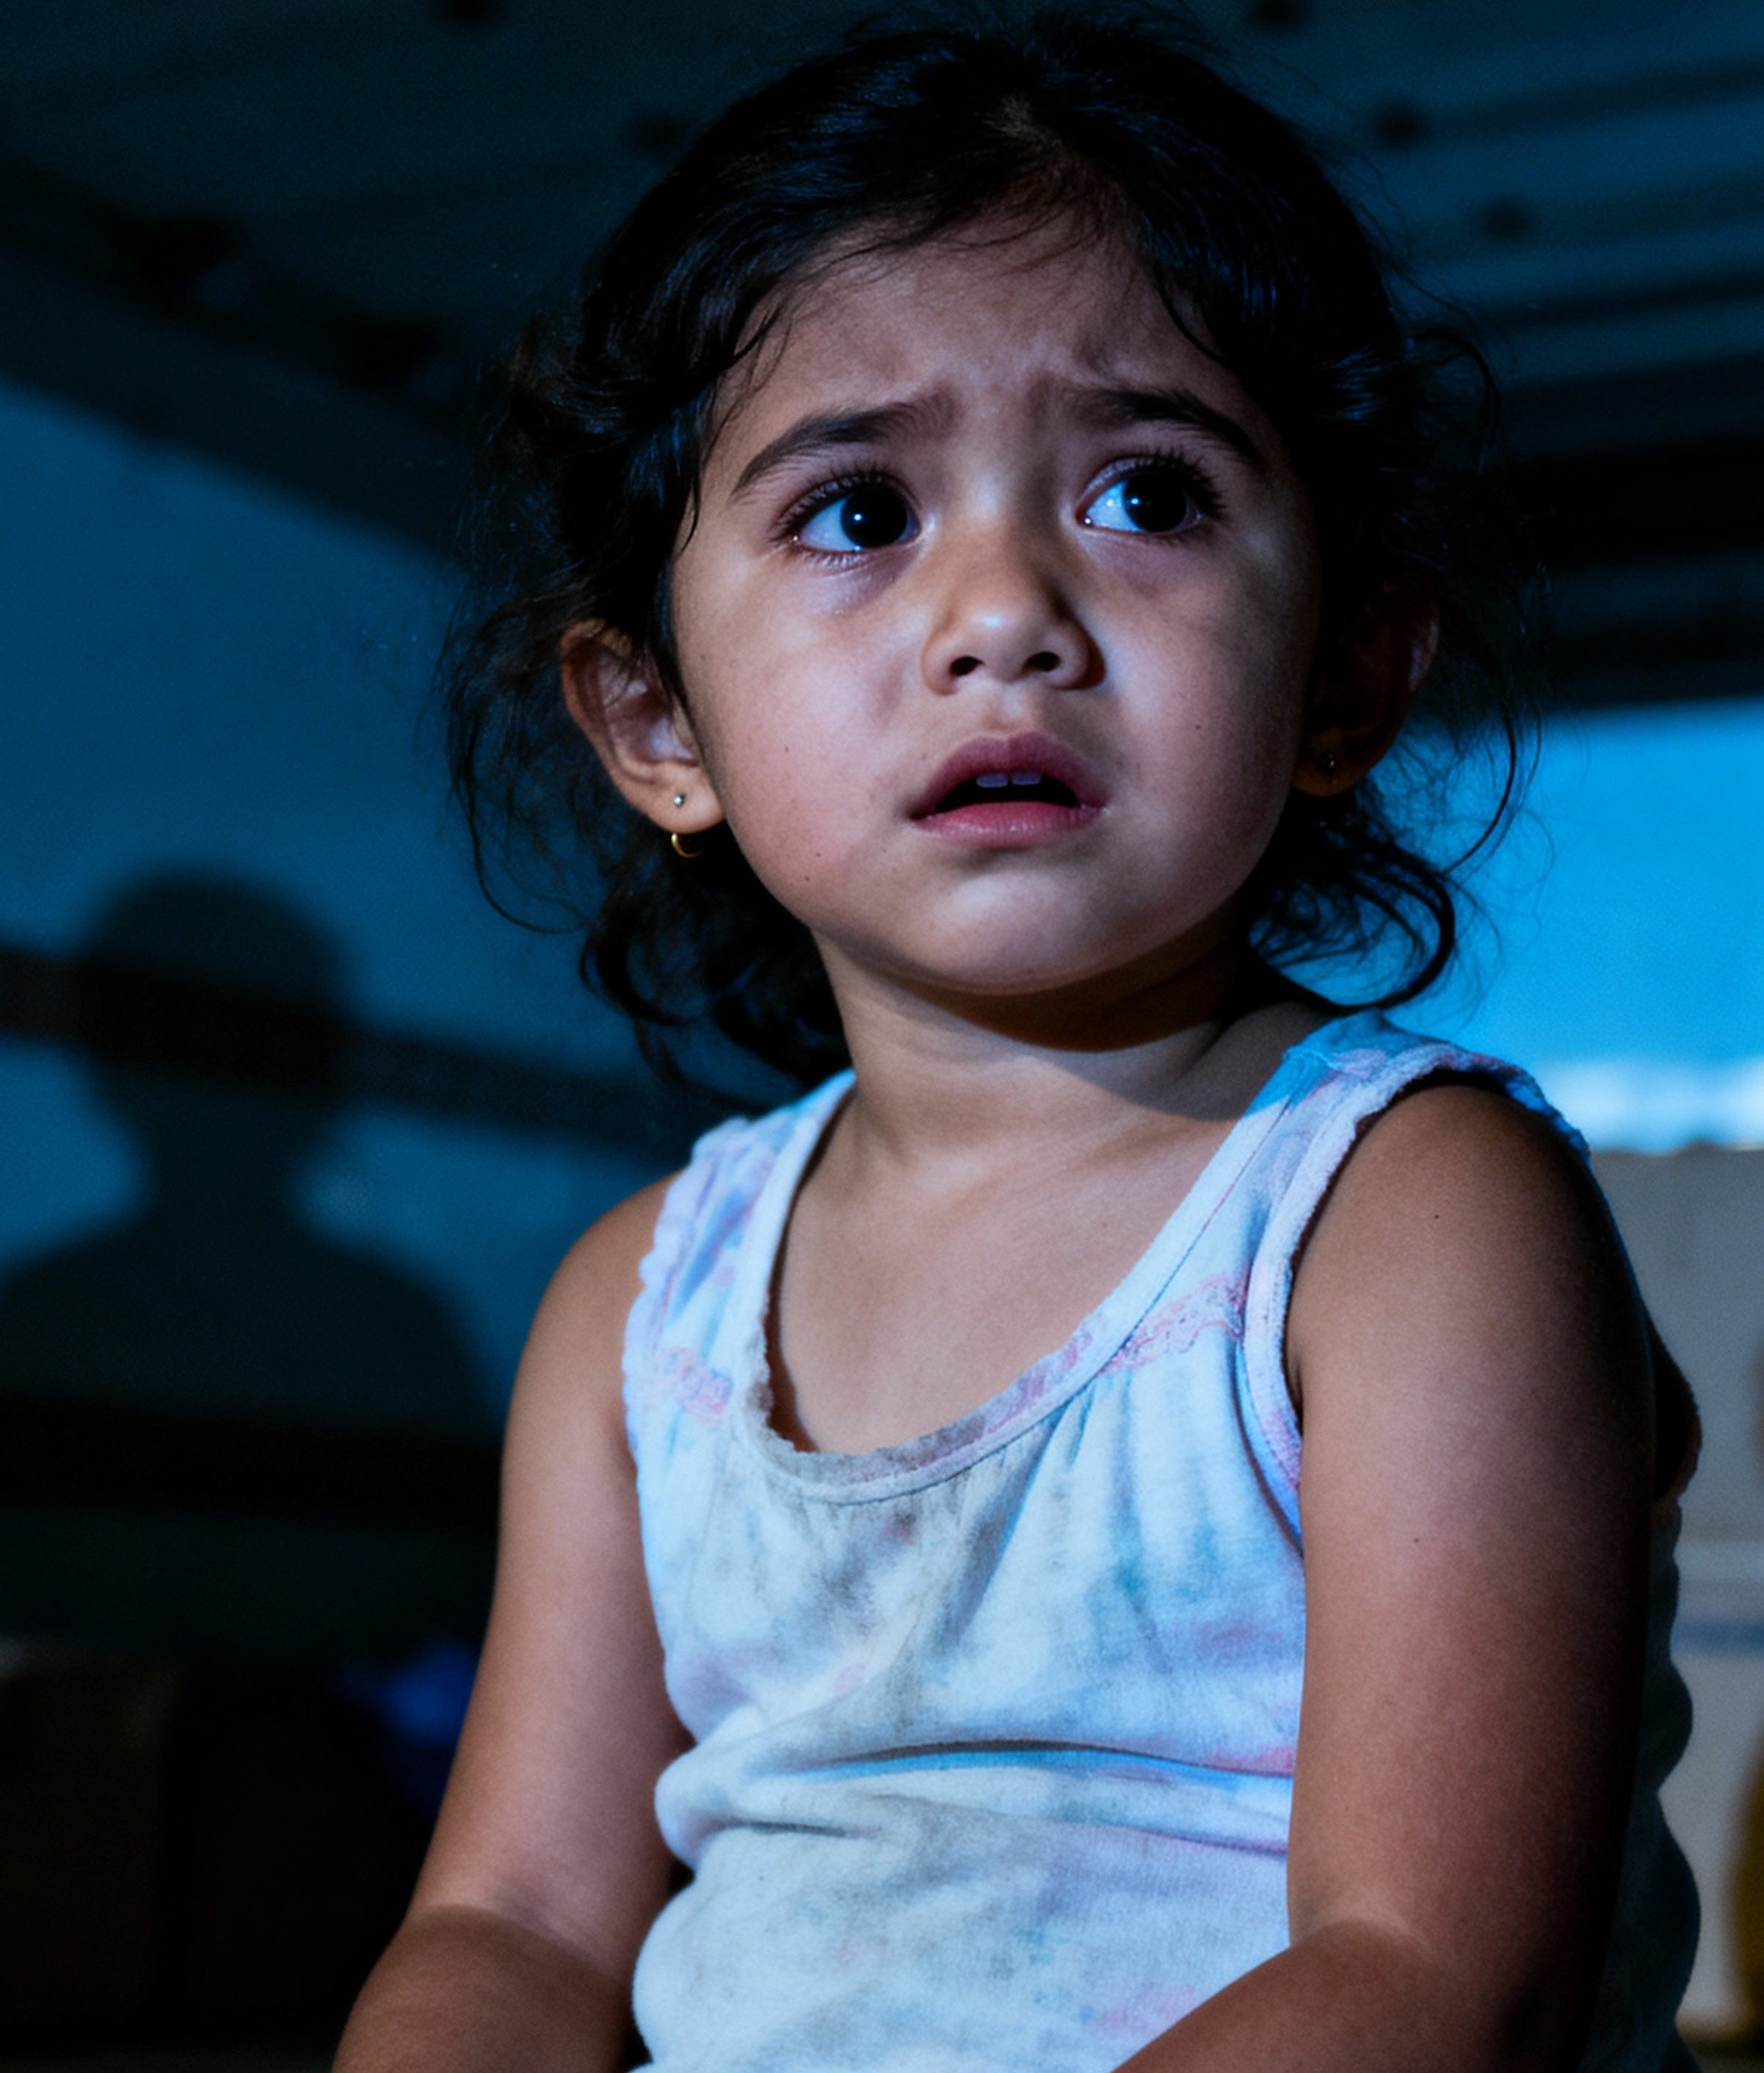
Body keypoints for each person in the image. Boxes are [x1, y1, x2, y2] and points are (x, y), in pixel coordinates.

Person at [335, 15, 1700, 2071]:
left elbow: (1430, 1978)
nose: (1005, 613)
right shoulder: (645, 1310)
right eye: (858, 513)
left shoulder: (1402, 1224)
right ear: (660, 726)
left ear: (1341, 678)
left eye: (1148, 493)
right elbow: (512, 1921)